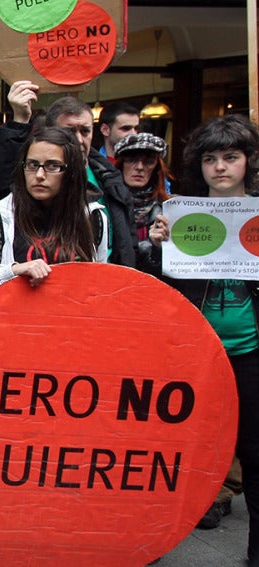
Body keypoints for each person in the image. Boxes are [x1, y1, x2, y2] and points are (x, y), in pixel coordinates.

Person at [147, 115, 259, 558]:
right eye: (211, 158)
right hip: (195, 353)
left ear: (247, 162)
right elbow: (164, 293)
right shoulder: (181, 214)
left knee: (254, 451)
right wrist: (159, 249)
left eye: (231, 157)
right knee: (176, 447)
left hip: (250, 353)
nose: (220, 167)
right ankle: (152, 539)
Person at [0, 81, 137, 268]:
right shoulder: (34, 177)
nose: (78, 139)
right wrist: (19, 121)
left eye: (85, 131)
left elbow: (126, 241)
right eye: (69, 131)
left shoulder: (108, 175)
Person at [0, 127, 110, 305]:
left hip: (71, 326)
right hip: (12, 327)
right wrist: (13, 271)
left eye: (52, 166)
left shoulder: (93, 218)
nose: (39, 175)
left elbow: (100, 286)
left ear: (71, 172)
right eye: (32, 165)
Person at [111, 132, 172, 271]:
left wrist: (158, 247)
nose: (139, 167)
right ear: (121, 164)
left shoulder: (168, 208)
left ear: (156, 167)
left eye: (148, 161)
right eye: (132, 159)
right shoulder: (105, 205)